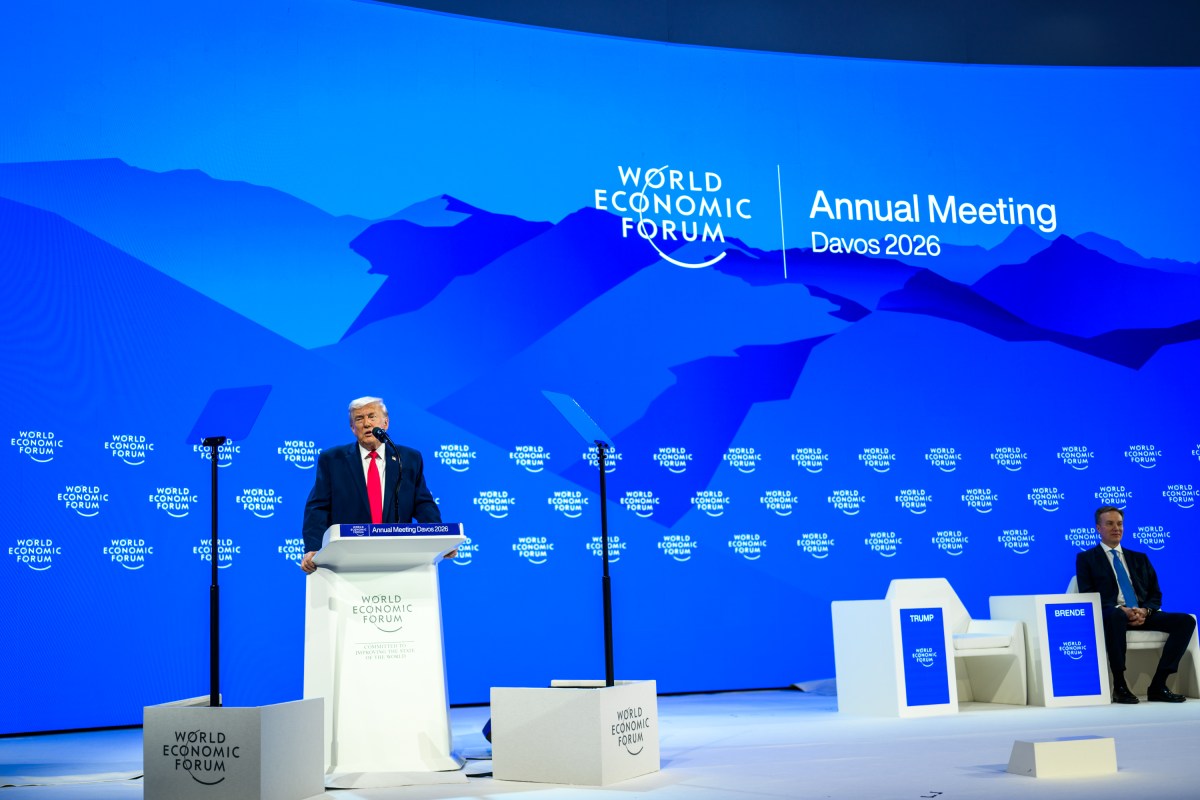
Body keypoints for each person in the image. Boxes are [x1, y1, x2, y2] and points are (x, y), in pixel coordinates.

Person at [300, 396, 441, 573]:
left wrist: (439, 539)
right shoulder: (333, 460)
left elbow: (422, 504)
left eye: (372, 416)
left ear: (385, 423)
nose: (366, 424)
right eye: (359, 419)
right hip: (348, 558)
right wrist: (313, 548)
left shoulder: (408, 458)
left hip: (398, 557)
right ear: (352, 428)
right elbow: (318, 507)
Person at [1076, 506, 1196, 703]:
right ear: (1098, 528)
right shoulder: (1086, 559)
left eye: (1120, 524)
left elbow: (1155, 593)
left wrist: (1145, 610)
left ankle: (1159, 683)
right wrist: (1120, 609)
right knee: (1115, 616)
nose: (1116, 528)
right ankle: (1120, 685)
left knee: (1186, 621)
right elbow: (1088, 594)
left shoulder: (1139, 558)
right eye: (1110, 523)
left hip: (1142, 613)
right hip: (1112, 614)